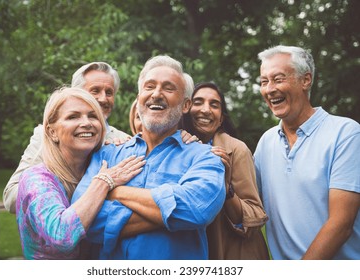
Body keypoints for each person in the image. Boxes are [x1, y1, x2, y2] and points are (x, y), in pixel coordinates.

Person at [72, 55, 226, 260]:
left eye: (168, 88)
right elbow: (84, 223)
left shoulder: (206, 158)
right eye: (149, 86)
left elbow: (196, 211)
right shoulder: (107, 154)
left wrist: (113, 190)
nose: (156, 94)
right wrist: (169, 214)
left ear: (186, 105)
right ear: (139, 98)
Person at [254, 45, 360, 260]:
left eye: (278, 79)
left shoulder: (346, 133)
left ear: (305, 80)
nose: (269, 89)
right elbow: (249, 206)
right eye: (264, 82)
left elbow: (341, 224)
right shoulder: (266, 142)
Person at [16, 87, 145, 259]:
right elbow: (62, 237)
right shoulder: (36, 179)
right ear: (52, 132)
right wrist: (104, 182)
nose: (86, 123)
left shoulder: (103, 164)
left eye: (92, 116)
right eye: (73, 116)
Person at [3, 62, 130, 213]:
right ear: (76, 93)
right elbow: (11, 198)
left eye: (109, 92)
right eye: (95, 91)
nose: (103, 99)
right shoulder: (44, 135)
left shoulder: (123, 140)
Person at [181, 82, 269, 260]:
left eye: (214, 105)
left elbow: (254, 216)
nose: (206, 110)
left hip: (234, 255)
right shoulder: (177, 147)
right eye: (198, 102)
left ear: (221, 118)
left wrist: (226, 188)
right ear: (186, 108)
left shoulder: (237, 150)